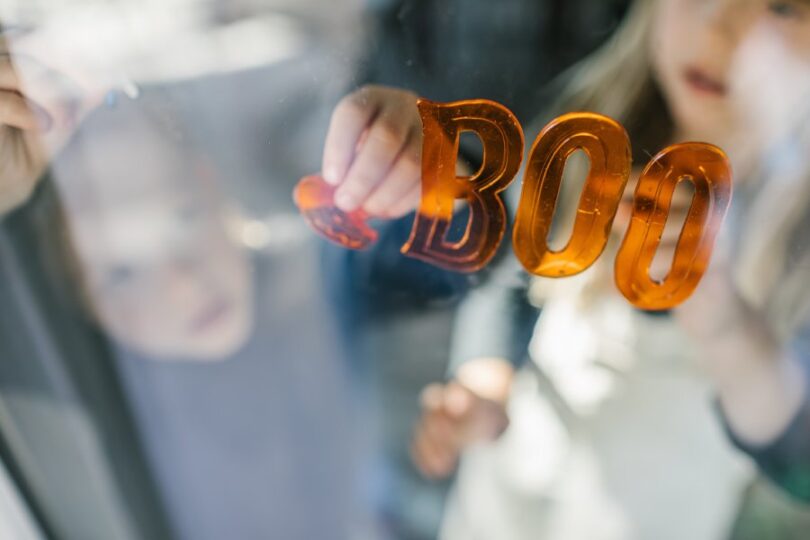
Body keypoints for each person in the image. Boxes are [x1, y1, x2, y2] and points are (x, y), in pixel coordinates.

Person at [317, 0, 810, 536]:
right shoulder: (587, 135)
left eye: (782, 7)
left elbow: (795, 451)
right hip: (516, 472)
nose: (717, 23)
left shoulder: (792, 231)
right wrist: (488, 372)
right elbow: (516, 267)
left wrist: (723, 323)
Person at [51, 93, 380, 540]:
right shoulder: (80, 419)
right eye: (121, 274)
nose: (183, 286)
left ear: (211, 185)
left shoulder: (318, 278)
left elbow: (469, 248)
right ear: (74, 300)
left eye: (183, 218)